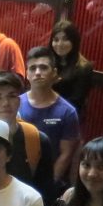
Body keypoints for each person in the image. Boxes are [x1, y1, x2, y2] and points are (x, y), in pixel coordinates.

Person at [0, 71, 55, 205]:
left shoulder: (36, 139)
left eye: (12, 96)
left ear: (19, 101)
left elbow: (45, 192)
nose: (5, 103)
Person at [19, 46, 81, 189]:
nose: (38, 72)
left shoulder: (67, 112)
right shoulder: (15, 104)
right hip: (18, 180)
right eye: (33, 68)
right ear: (27, 74)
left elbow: (66, 154)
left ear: (54, 73)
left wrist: (49, 184)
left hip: (48, 183)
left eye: (43, 68)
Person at [49, 20, 94, 121]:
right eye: (56, 40)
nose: (60, 44)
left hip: (67, 117)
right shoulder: (48, 62)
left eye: (65, 39)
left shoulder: (83, 68)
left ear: (74, 41)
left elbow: (75, 103)